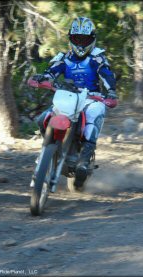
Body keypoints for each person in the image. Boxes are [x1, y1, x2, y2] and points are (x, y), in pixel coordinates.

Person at [34, 16, 117, 182]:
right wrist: (42, 78)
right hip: (67, 95)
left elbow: (107, 75)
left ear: (91, 40)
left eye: (84, 39)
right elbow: (52, 72)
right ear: (71, 39)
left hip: (92, 98)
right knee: (43, 118)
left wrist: (111, 92)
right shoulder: (63, 58)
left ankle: (84, 161)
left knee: (95, 114)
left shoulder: (97, 58)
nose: (80, 43)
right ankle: (50, 149)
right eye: (77, 38)